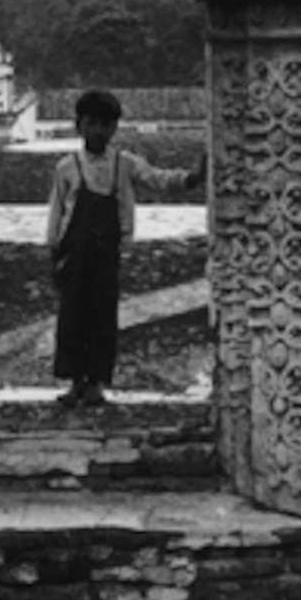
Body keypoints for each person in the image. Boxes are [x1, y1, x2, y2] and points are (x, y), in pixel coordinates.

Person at [44, 89, 205, 410]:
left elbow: (158, 179)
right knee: (73, 317)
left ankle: (96, 384)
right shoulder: (67, 167)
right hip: (74, 254)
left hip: (107, 253)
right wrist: (52, 252)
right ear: (79, 126)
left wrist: (193, 178)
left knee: (102, 317)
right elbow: (56, 212)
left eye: (106, 125)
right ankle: (76, 382)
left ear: (114, 129)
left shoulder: (125, 164)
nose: (98, 131)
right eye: (92, 124)